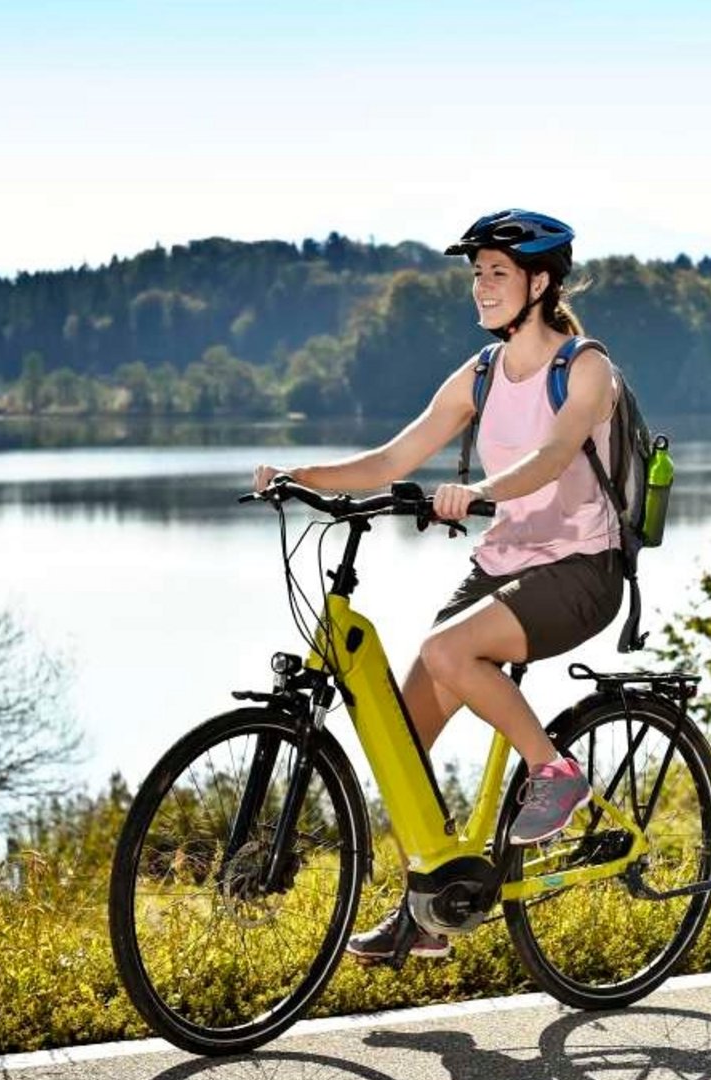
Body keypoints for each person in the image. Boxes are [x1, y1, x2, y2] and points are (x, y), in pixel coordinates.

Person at [253, 209, 626, 959]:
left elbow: (555, 456)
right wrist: (300, 476)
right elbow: (392, 458)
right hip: (502, 566)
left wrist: (479, 490)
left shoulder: (584, 368)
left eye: (497, 273)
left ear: (540, 280)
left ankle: (554, 771)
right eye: (477, 273)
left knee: (450, 650)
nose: (482, 286)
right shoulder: (482, 373)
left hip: (581, 570)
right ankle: (427, 916)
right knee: (404, 749)